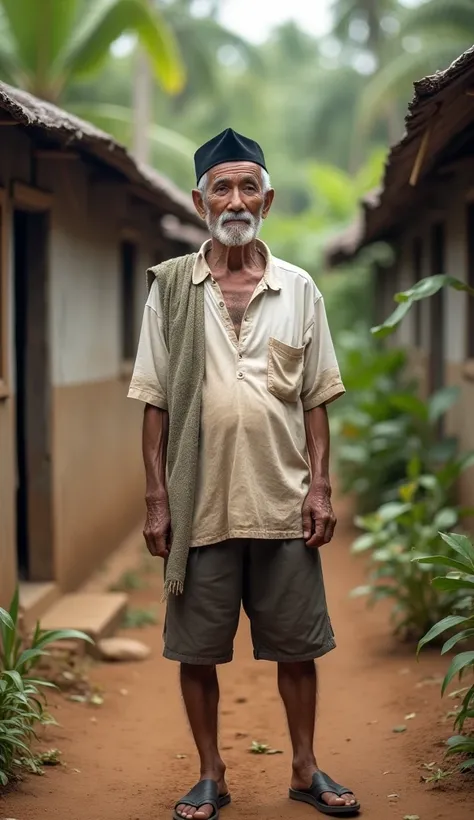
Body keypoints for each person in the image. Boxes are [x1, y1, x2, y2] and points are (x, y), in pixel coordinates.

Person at [128, 129, 360, 819]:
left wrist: (320, 487)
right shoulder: (172, 288)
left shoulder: (299, 288)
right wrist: (156, 498)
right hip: (200, 505)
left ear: (269, 198)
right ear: (201, 200)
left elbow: (316, 397)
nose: (236, 200)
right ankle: (211, 773)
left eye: (248, 186)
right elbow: (155, 400)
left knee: (298, 646)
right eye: (221, 188)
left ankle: (305, 767)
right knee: (196, 652)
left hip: (282, 499)